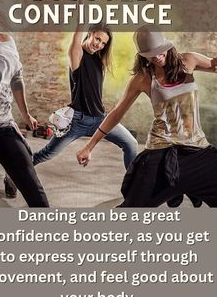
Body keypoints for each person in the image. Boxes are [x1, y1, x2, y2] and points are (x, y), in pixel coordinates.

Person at [77, 26, 217, 207]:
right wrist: (89, 146)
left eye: (160, 51)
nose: (157, 57)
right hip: (161, 151)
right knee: (132, 208)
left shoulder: (189, 60)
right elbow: (117, 113)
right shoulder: (143, 78)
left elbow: (214, 65)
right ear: (143, 55)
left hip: (197, 149)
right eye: (151, 54)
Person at [32, 24, 138, 170]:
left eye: (103, 43)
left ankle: (132, 187)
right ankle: (13, 175)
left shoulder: (98, 61)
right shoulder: (77, 54)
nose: (99, 44)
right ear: (90, 33)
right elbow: (77, 39)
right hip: (77, 121)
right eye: (97, 39)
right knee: (46, 154)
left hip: (100, 120)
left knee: (131, 143)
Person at [0, 30, 49, 207]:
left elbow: (16, 79)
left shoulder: (6, 39)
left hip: (1, 126)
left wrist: (26, 114)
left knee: (35, 191)